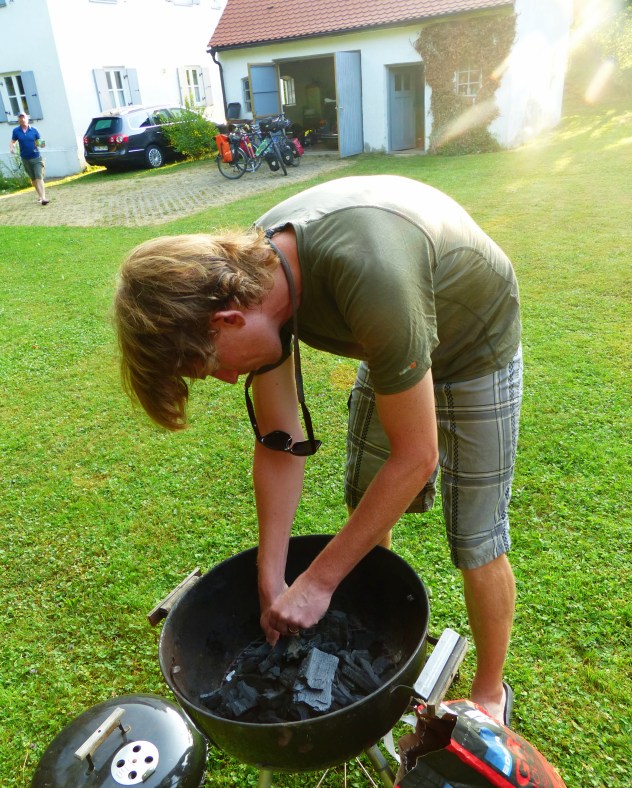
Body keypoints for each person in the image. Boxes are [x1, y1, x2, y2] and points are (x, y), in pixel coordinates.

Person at [114, 176, 522, 725]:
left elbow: (417, 457)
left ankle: (491, 692)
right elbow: (280, 440)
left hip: (474, 346)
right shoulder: (258, 283)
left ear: (228, 320)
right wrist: (271, 571)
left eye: (216, 366)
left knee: (476, 539)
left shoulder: (372, 277)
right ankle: (379, 624)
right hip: (394, 344)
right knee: (367, 504)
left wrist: (317, 581)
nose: (232, 377)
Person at [9, 111, 49, 205]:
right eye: (20, 118)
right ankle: (40, 196)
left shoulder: (34, 130)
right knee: (33, 179)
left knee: (39, 176)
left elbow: (40, 142)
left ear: (27, 119)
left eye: (23, 117)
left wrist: (42, 144)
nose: (22, 119)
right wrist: (12, 147)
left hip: (36, 157)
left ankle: (43, 198)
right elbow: (13, 141)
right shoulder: (16, 131)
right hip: (25, 158)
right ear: (18, 120)